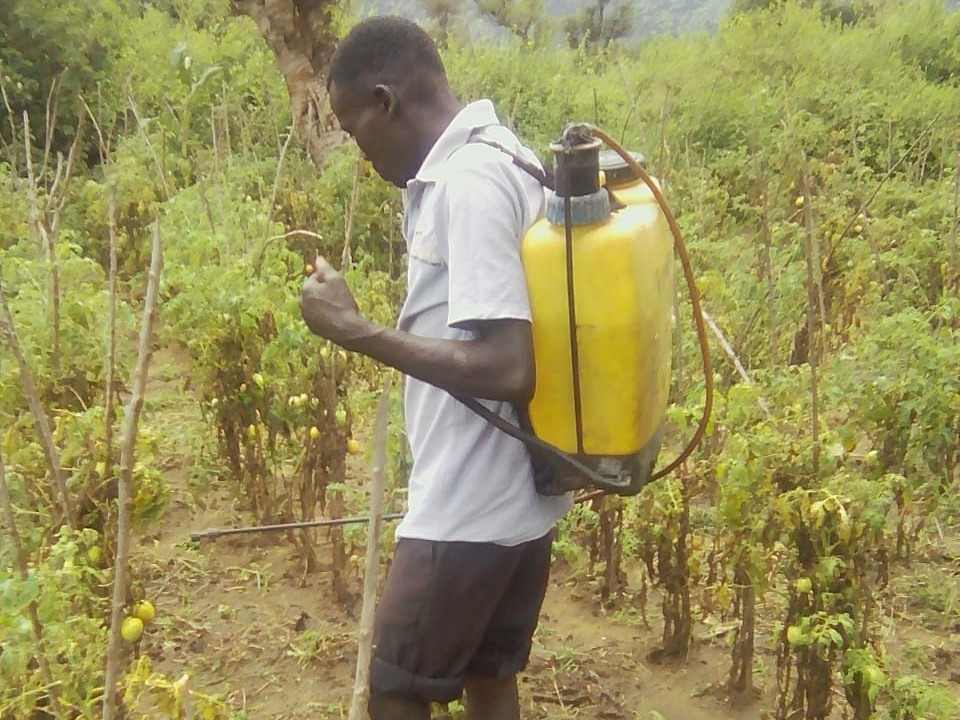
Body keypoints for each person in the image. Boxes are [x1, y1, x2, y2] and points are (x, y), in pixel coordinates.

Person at [298, 15, 572, 720]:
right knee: (490, 675)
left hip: (467, 508)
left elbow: (510, 366)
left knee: (395, 689)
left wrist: (359, 332)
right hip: (522, 501)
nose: (358, 151)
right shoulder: (500, 152)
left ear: (386, 101)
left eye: (355, 128)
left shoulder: (469, 182)